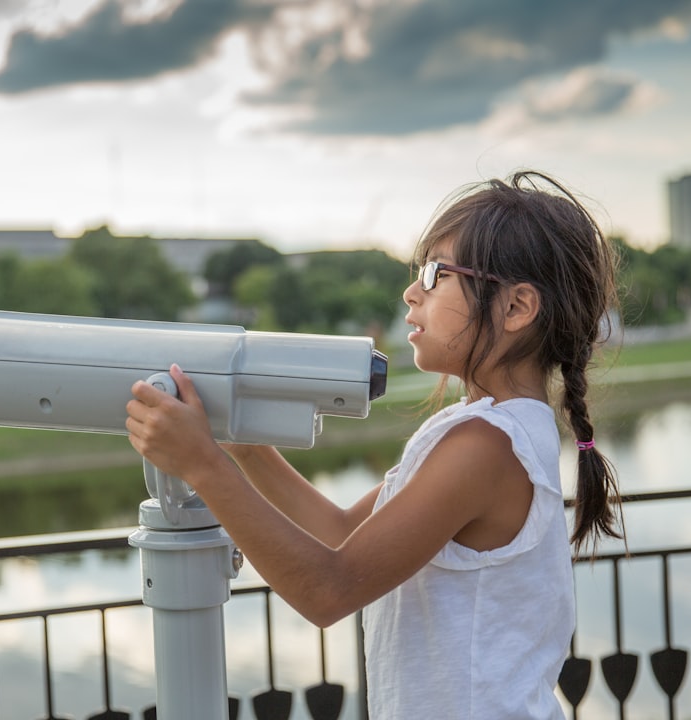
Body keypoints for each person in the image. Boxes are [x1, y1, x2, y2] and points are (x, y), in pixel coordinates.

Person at [125, 170, 623, 719]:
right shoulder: (486, 429)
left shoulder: (485, 445)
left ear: (515, 308)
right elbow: (343, 534)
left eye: (435, 273)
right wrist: (246, 450)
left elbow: (328, 590)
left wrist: (202, 465)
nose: (411, 292)